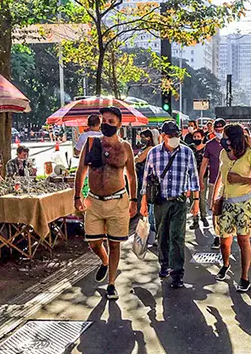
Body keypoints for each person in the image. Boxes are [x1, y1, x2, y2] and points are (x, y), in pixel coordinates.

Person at [74, 106, 137, 300]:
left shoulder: (125, 147)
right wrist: (77, 196)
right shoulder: (92, 143)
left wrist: (134, 200)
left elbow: (132, 176)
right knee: (94, 243)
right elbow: (81, 171)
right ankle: (104, 260)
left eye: (111, 121)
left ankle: (111, 283)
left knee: (115, 244)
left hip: (118, 201)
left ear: (119, 124)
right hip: (94, 201)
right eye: (104, 121)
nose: (107, 124)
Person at [140, 121, 200, 289]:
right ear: (163, 136)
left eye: (176, 135)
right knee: (162, 236)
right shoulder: (153, 153)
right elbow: (146, 180)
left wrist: (196, 203)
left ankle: (177, 273)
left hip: (179, 203)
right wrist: (143, 203)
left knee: (177, 237)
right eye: (170, 136)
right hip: (160, 202)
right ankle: (164, 264)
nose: (174, 138)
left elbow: (194, 179)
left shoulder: (187, 152)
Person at [211, 124, 251, 293]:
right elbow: (220, 175)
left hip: (245, 203)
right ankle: (225, 264)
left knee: (243, 240)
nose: (222, 139)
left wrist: (241, 179)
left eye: (225, 136)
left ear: (233, 138)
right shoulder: (223, 153)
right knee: (224, 240)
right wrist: (214, 198)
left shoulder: (250, 154)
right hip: (225, 201)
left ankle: (244, 277)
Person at [199, 118, 225, 244]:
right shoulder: (209, 145)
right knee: (215, 210)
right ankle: (217, 234)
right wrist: (200, 180)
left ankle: (225, 233)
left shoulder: (232, 143)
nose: (219, 131)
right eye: (217, 129)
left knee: (225, 211)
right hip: (213, 182)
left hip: (229, 183)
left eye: (222, 129)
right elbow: (204, 164)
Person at [188, 129, 208, 230]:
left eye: (198, 137)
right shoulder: (190, 148)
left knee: (202, 198)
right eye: (195, 137)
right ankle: (195, 219)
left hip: (203, 176)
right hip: (191, 176)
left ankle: (204, 217)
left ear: (202, 137)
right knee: (192, 199)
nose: (196, 138)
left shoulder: (206, 148)